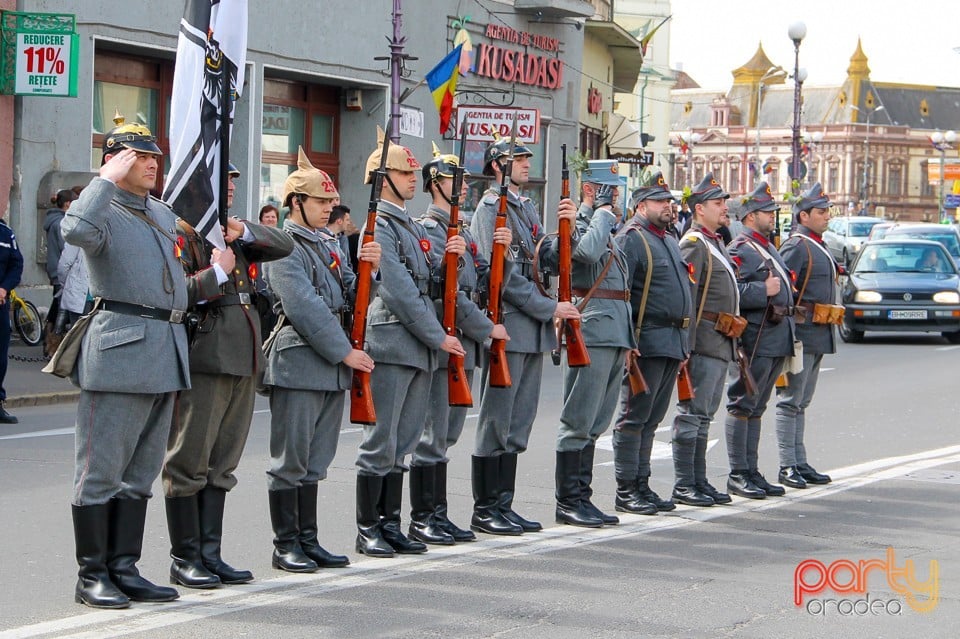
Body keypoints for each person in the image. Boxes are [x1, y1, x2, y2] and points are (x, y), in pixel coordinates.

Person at [60, 116, 189, 608]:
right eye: (139, 156)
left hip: (164, 348)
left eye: (155, 156)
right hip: (120, 349)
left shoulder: (158, 213)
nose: (152, 163)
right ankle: (91, 574)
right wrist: (104, 179)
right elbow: (75, 231)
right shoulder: (101, 206)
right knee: (101, 471)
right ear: (116, 160)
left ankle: (123, 567)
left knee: (139, 473)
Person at [162, 162, 294, 588]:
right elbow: (175, 291)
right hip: (205, 358)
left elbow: (284, 244)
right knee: (189, 461)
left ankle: (210, 553)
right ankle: (185, 557)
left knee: (222, 465)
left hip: (242, 359)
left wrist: (244, 231)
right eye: (224, 179)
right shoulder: (181, 231)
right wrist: (215, 271)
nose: (232, 186)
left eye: (235, 179)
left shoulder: (230, 233)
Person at [263, 147, 379, 570]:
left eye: (332, 202)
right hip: (300, 357)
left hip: (330, 362)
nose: (331, 208)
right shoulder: (284, 245)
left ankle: (307, 539)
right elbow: (304, 306)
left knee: (317, 458)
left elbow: (352, 291)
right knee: (291, 459)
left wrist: (370, 269)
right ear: (297, 202)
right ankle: (286, 544)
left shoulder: (327, 242)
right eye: (322, 201)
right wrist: (345, 351)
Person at [355, 127, 466, 558]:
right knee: (381, 441)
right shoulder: (380, 224)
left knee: (402, 443)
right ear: (383, 177)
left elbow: (430, 280)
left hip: (416, 345)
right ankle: (368, 528)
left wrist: (451, 254)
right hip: (393, 340)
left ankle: (390, 523)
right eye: (405, 172)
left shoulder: (405, 224)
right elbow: (399, 290)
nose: (413, 179)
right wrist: (438, 336)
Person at [469, 134, 580, 536]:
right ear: (497, 165)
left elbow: (541, 259)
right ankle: (485, 508)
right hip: (512, 321)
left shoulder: (526, 207)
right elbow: (500, 278)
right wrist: (550, 308)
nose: (525, 164)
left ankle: (504, 504)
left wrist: (566, 225)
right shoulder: (488, 209)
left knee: (519, 420)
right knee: (497, 419)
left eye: (526, 158)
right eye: (517, 158)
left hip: (531, 326)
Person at [409, 144, 510, 544]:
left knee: (448, 431)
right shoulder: (428, 230)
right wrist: (487, 329)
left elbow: (478, 282)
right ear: (436, 184)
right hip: (444, 338)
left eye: (465, 179)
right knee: (433, 432)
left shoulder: (464, 231)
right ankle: (424, 517)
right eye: (457, 179)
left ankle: (439, 512)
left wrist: (498, 248)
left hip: (462, 339)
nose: (464, 185)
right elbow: (446, 293)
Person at [538, 160, 630, 528]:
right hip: (592, 332)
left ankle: (583, 497)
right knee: (578, 420)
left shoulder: (603, 229)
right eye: (612, 190)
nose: (618, 198)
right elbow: (585, 255)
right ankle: (568, 501)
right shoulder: (578, 226)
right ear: (592, 190)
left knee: (596, 421)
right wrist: (599, 212)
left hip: (614, 334)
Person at [613, 171, 694, 512]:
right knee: (634, 416)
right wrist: (627, 341)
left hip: (671, 340)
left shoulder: (668, 238)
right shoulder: (632, 238)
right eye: (661, 201)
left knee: (652, 419)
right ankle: (626, 489)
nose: (670, 207)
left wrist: (684, 345)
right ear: (641, 205)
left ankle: (642, 485)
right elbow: (622, 294)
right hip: (645, 340)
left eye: (670, 201)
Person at [672, 172, 739, 507]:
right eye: (717, 203)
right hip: (702, 343)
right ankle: (685, 484)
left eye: (724, 202)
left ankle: (698, 480)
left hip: (720, 341)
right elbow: (687, 299)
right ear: (699, 209)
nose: (724, 208)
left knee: (705, 415)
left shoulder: (715, 243)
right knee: (692, 413)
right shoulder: (694, 245)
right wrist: (686, 345)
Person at [725, 181, 795, 499]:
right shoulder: (740, 248)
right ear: (751, 216)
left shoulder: (766, 247)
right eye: (768, 212)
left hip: (775, 337)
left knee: (757, 407)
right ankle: (738, 473)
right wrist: (760, 291)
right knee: (743, 404)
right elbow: (731, 293)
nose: (773, 216)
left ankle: (751, 471)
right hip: (755, 338)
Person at [776, 183, 838, 488]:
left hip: (819, 333)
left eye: (828, 210)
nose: (827, 216)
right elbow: (784, 291)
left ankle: (799, 461)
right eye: (821, 211)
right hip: (801, 333)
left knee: (801, 402)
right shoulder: (797, 246)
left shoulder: (817, 244)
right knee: (790, 401)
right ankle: (788, 465)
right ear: (804, 215)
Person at [43, 189, 78, 353]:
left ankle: (50, 341)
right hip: (61, 272)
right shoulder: (61, 223)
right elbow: (67, 250)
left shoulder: (54, 220)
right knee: (61, 310)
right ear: (68, 204)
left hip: (55, 270)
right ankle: (52, 345)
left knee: (56, 308)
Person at [0, 213, 23, 424]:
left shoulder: (6, 234)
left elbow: (16, 266)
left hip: (0, 304)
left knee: (0, 357)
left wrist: (5, 288)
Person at [55, 240, 92, 335]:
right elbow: (64, 266)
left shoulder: (75, 238)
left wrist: (67, 285)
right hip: (86, 295)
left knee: (77, 336)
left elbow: (63, 265)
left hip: (82, 294)